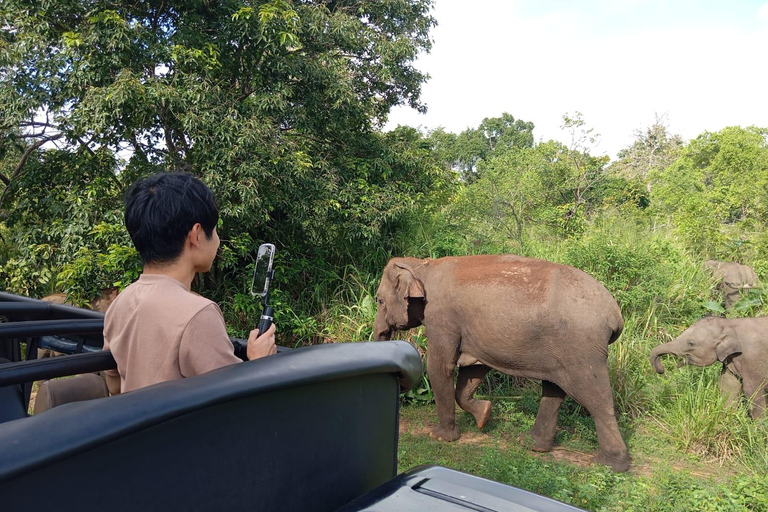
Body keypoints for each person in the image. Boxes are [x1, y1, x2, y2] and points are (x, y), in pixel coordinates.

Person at [103, 172, 276, 394]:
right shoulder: (198, 314)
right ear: (196, 235)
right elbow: (235, 402)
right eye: (213, 230)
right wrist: (259, 363)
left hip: (135, 427)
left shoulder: (120, 303)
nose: (217, 240)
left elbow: (114, 385)